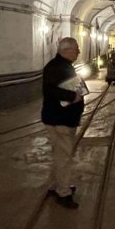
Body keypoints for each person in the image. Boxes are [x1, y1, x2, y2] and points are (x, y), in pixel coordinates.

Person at [41, 37, 85, 209]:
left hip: (62, 118)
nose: (78, 52)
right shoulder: (56, 67)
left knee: (60, 155)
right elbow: (50, 90)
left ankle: (57, 185)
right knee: (64, 157)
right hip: (60, 119)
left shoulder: (62, 66)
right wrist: (73, 96)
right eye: (76, 49)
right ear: (67, 50)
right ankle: (63, 193)